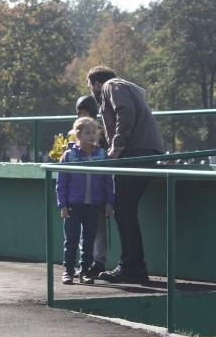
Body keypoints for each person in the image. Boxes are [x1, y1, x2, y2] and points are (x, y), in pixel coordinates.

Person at [87, 66, 164, 284]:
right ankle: (132, 265)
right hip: (143, 152)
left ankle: (132, 266)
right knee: (125, 209)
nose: (92, 92)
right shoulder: (126, 88)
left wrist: (116, 148)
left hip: (135, 153)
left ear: (96, 84)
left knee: (124, 209)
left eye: (91, 86)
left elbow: (125, 112)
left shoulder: (112, 86)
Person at [56, 117, 114, 285]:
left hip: (93, 206)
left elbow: (107, 179)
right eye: (87, 133)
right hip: (74, 206)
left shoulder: (101, 154)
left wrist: (109, 201)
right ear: (78, 135)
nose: (91, 136)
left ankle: (85, 271)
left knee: (88, 240)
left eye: (94, 132)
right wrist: (63, 204)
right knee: (71, 239)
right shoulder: (70, 155)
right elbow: (61, 182)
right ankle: (68, 270)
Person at [74, 94, 108, 278]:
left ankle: (98, 261)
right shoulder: (77, 140)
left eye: (85, 112)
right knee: (83, 232)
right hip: (81, 194)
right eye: (80, 113)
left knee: (99, 229)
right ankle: (85, 263)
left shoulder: (98, 136)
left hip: (96, 192)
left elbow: (105, 170)